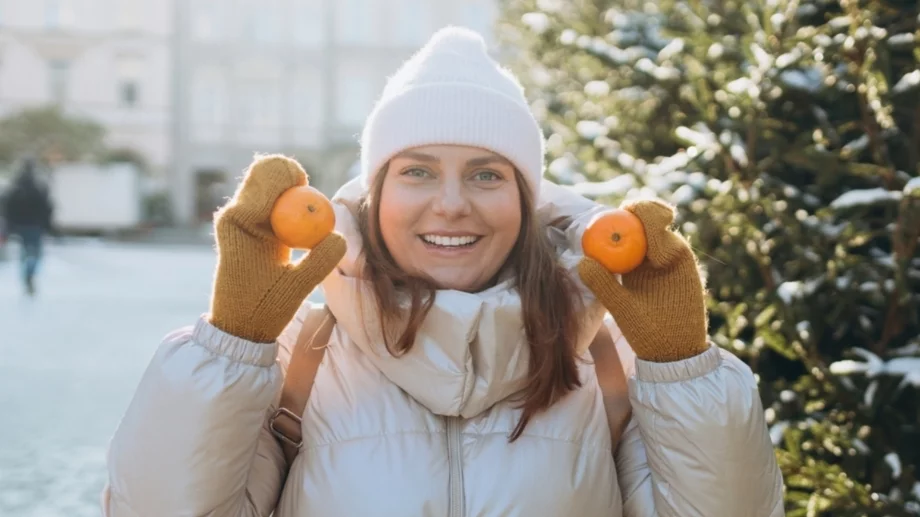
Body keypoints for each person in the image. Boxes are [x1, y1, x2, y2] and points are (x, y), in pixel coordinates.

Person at [102, 27, 784, 516]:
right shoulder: (296, 360)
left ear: (526, 199)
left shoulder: (612, 361)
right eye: (418, 170)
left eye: (486, 173)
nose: (451, 203)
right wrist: (230, 349)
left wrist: (685, 372)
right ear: (377, 194)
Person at [1, 158, 54, 295]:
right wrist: (47, 225)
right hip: (36, 226)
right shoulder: (39, 187)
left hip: (20, 226)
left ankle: (26, 273)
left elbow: (8, 208)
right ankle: (30, 273)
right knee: (36, 253)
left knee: (25, 252)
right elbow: (47, 207)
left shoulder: (16, 188)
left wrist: (10, 225)